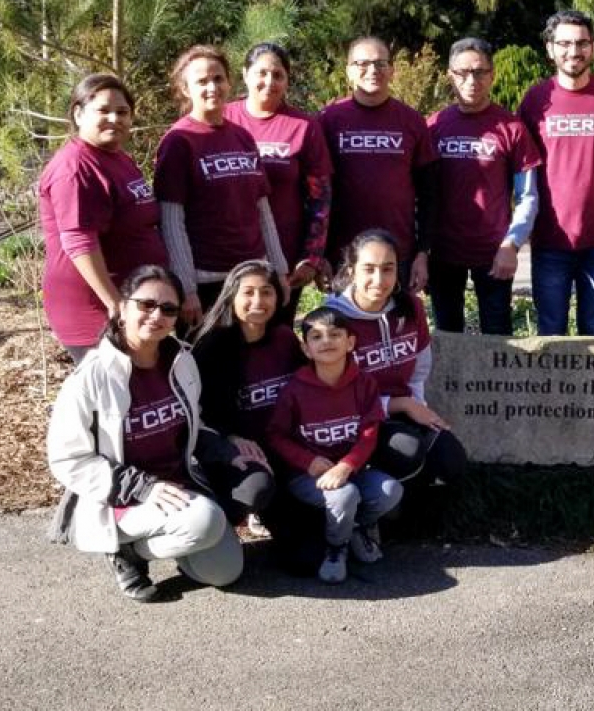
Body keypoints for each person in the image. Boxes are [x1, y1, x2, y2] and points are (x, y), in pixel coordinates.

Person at [46, 266, 266, 601]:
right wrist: (144, 487)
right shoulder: (90, 378)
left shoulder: (180, 361)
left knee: (226, 572)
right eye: (146, 304)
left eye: (168, 309)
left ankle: (152, 545)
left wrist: (227, 449)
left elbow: (194, 423)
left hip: (179, 486)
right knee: (205, 521)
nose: (156, 315)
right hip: (121, 497)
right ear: (122, 307)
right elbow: (68, 459)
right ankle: (125, 552)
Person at [267, 306, 404, 584]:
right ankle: (336, 548)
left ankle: (354, 527)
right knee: (344, 496)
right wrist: (309, 462)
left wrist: (348, 464)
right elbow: (276, 436)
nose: (326, 341)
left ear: (350, 342)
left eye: (335, 334)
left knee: (390, 490)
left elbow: (369, 432)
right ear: (306, 349)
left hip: (351, 470)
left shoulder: (364, 384)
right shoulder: (294, 390)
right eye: (316, 337)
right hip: (307, 476)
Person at [325, 229, 468, 495]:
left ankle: (408, 506)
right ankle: (378, 505)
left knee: (452, 461)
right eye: (369, 269)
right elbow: (335, 396)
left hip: (400, 410)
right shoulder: (331, 320)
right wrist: (400, 404)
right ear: (352, 270)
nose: (379, 280)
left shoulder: (410, 307)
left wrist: (418, 409)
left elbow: (419, 370)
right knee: (407, 451)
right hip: (354, 421)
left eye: (387, 269)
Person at [154, 45, 288, 329]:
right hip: (207, 281)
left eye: (218, 78)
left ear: (229, 82)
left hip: (252, 277)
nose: (212, 87)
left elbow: (261, 209)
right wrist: (186, 288)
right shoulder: (178, 142)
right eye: (202, 81)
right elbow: (171, 221)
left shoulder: (242, 137)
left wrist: (280, 271)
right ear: (185, 88)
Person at [38, 75, 168, 362]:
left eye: (122, 112)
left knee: (135, 397)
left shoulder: (118, 158)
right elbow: (78, 240)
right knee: (110, 400)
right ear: (78, 113)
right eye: (103, 110)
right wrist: (114, 302)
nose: (115, 119)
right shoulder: (75, 167)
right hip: (94, 309)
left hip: (129, 302)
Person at [517, 10, 594, 336]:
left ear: (593, 48)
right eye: (564, 43)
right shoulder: (535, 100)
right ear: (550, 48)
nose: (574, 51)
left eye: (582, 43)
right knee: (551, 332)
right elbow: (521, 169)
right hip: (551, 239)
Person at [427, 37, 543, 335]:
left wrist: (512, 245)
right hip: (442, 253)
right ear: (450, 75)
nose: (471, 80)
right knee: (447, 337)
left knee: (497, 338)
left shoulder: (512, 127)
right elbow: (420, 193)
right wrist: (421, 250)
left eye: (479, 72)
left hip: (494, 253)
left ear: (492, 74)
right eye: (462, 72)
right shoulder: (433, 125)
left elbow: (528, 196)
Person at [192, 260, 304, 535]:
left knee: (306, 557)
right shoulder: (210, 346)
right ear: (232, 296)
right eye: (248, 292)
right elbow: (200, 413)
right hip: (240, 453)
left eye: (266, 292)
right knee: (257, 490)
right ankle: (225, 524)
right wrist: (230, 438)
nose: (258, 300)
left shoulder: (285, 339)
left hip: (286, 447)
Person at [224, 43, 331, 324]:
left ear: (287, 79)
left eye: (278, 74)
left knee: (277, 335)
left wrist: (311, 257)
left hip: (284, 257)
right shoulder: (223, 119)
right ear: (245, 74)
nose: (269, 82)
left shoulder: (303, 126)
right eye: (261, 73)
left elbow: (320, 199)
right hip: (228, 254)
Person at [320, 37, 439, 290]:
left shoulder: (412, 121)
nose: (372, 70)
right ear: (349, 71)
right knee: (344, 328)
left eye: (380, 63)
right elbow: (317, 194)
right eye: (362, 63)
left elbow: (429, 194)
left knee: (397, 328)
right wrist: (319, 254)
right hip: (344, 255)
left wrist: (423, 253)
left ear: (392, 70)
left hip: (398, 255)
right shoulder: (327, 121)